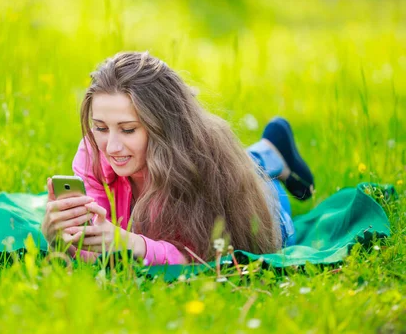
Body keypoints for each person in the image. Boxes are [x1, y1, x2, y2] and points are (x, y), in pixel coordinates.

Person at [40, 51, 314, 265]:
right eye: (100, 127)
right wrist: (63, 239)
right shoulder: (93, 154)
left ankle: (270, 152)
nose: (110, 146)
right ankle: (267, 149)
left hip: (259, 201)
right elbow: (99, 253)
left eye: (128, 129)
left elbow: (202, 258)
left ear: (163, 127)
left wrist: (132, 243)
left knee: (257, 181)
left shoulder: (198, 166)